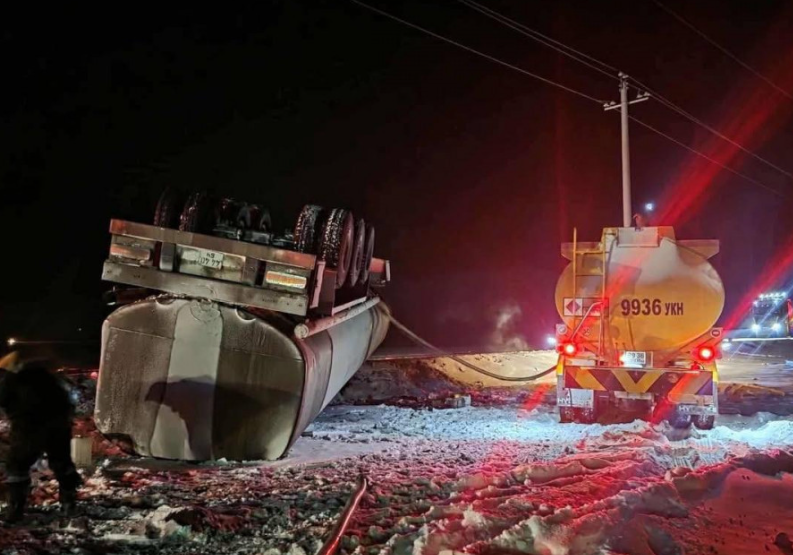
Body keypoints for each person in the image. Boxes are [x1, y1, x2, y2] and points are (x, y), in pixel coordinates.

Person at [0, 351, 81, 523]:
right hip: (58, 427)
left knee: (17, 466)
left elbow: (3, 399)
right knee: (63, 463)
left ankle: (16, 510)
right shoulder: (51, 378)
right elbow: (67, 402)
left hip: (28, 429)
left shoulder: (12, 379)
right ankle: (69, 505)